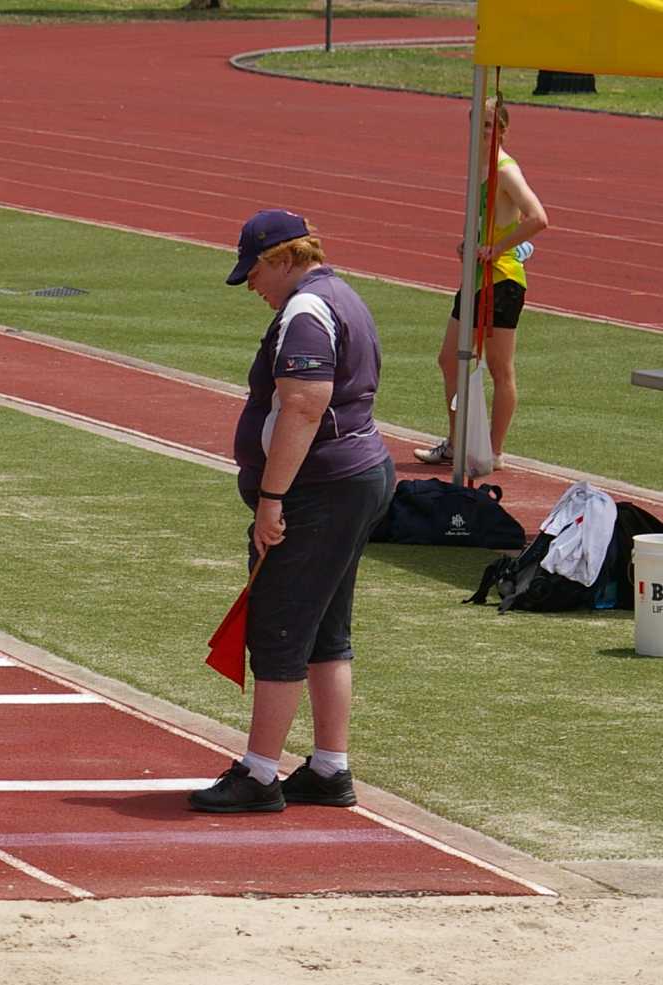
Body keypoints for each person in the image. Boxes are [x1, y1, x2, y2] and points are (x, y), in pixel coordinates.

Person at [189, 209, 396, 814]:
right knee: (328, 628)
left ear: (282, 258)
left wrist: (272, 499)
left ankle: (258, 774)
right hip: (356, 474)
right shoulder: (340, 295)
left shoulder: (306, 311)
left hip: (322, 486)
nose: (250, 284)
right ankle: (329, 767)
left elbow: (304, 404)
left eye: (253, 270)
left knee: (278, 624)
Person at [415, 97, 549, 467]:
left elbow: (538, 217)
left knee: (499, 369)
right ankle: (458, 444)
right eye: (478, 124)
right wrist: (472, 244)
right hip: (476, 279)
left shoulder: (505, 170)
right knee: (450, 359)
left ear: (502, 130)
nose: (482, 131)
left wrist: (497, 248)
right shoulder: (480, 168)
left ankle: (494, 450)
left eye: (489, 125)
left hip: (502, 279)